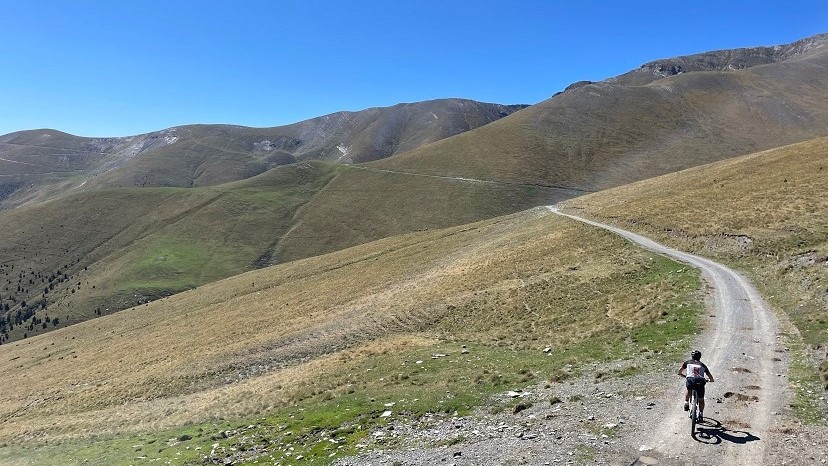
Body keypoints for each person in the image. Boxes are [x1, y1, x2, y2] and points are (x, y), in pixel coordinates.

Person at [678, 349, 714, 421]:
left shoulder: (687, 362)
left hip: (690, 380)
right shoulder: (702, 365)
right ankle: (701, 414)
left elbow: (680, 370)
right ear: (699, 357)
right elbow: (709, 375)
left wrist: (680, 373)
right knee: (701, 399)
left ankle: (686, 402)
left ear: (692, 356)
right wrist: (711, 380)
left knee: (689, 389)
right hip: (700, 381)